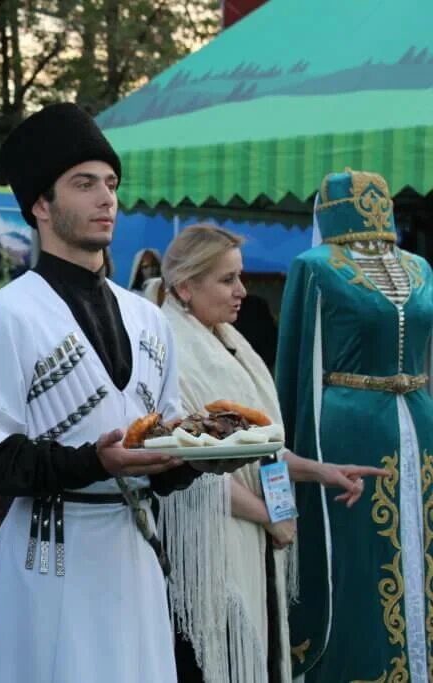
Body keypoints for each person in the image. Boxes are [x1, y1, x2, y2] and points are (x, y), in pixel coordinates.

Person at [0, 103, 242, 683]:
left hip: (132, 557)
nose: (106, 198)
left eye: (110, 183)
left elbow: (158, 462)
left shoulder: (148, 319)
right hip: (48, 558)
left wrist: (203, 459)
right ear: (41, 204)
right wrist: (92, 461)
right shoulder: (4, 315)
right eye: (83, 184)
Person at [147, 224, 386, 683]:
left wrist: (323, 471)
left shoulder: (233, 344)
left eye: (241, 277)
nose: (242, 292)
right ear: (184, 286)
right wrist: (267, 515)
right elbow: (190, 463)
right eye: (227, 280)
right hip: (208, 552)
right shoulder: (171, 352)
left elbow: (261, 448)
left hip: (253, 546)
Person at [276, 169, 433, 682]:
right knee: (358, 555)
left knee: (422, 541)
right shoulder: (316, 267)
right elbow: (296, 368)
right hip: (347, 427)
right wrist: (288, 466)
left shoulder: (421, 268)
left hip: (420, 424)